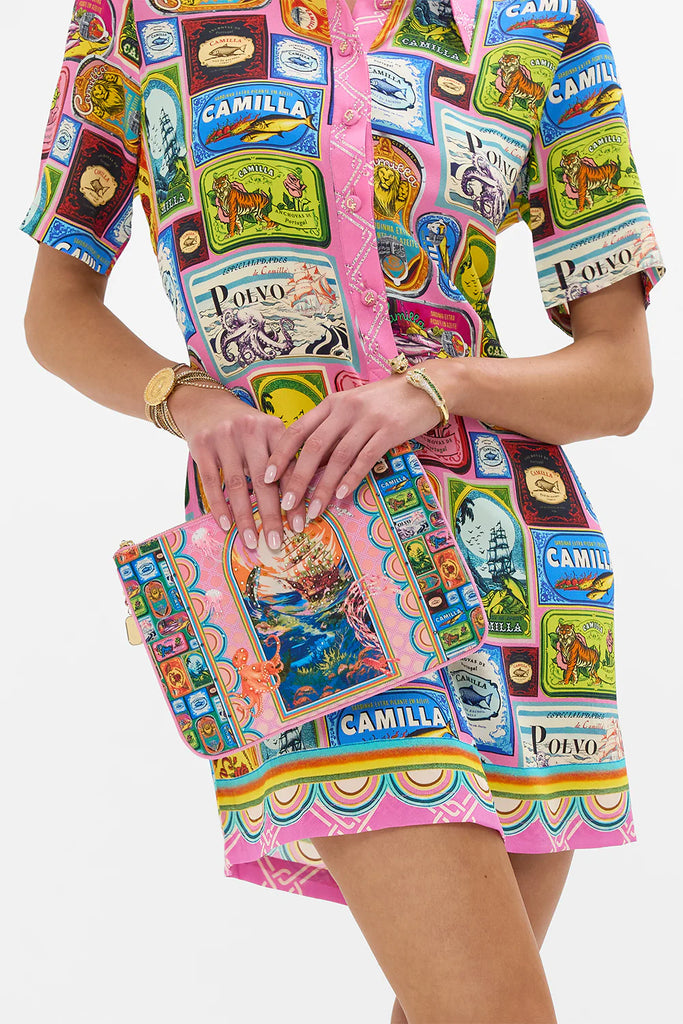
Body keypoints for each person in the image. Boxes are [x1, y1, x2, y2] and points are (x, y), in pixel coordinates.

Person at [22, 1, 664, 1021]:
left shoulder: (540, 21)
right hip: (302, 574)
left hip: (524, 583)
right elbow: (55, 311)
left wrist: (439, 384)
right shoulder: (141, 15)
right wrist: (186, 400)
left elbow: (618, 382)